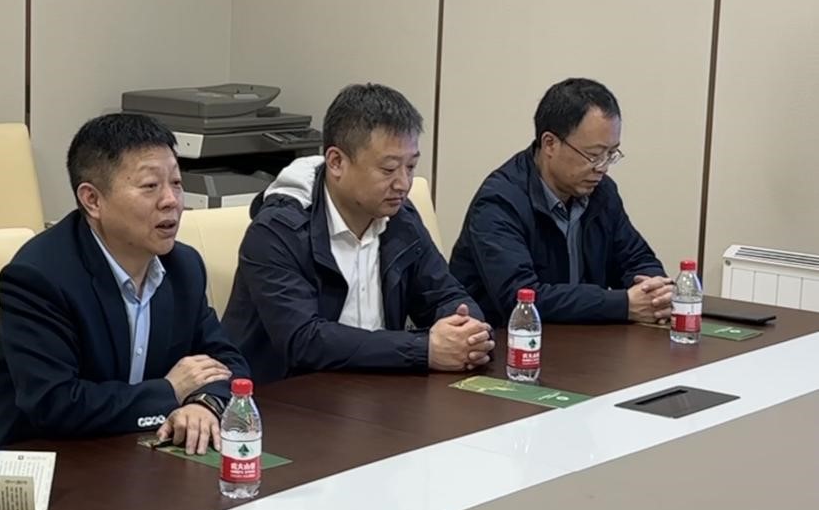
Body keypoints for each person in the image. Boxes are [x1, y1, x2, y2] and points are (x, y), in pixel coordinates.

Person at [0, 114, 248, 453]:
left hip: (135, 454)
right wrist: (170, 392)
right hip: (39, 462)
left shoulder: (183, 267)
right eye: (150, 186)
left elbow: (228, 363)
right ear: (93, 200)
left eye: (176, 182)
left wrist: (204, 404)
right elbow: (55, 404)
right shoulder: (39, 277)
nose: (172, 200)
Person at [223, 83, 492, 384]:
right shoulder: (277, 231)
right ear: (336, 162)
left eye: (411, 166)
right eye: (389, 169)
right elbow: (304, 340)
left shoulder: (399, 218)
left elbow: (446, 294)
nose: (403, 184)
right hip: (285, 397)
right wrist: (424, 348)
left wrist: (467, 332)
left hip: (377, 388)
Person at [449, 77, 671, 326]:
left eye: (611, 154)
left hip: (581, 339)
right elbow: (521, 299)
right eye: (594, 155)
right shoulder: (499, 202)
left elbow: (636, 258)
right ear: (550, 144)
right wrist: (623, 305)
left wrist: (655, 293)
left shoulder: (602, 192)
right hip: (505, 341)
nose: (603, 167)